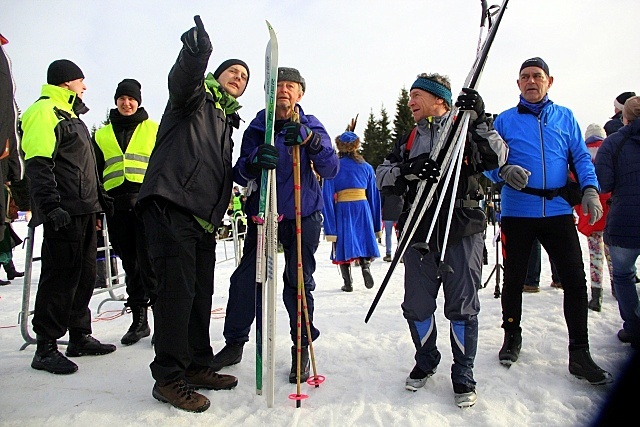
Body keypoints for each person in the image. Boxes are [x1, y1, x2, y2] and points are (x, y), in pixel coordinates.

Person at [375, 73, 507, 407]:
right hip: (419, 230)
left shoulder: (465, 128)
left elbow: (498, 157)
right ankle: (427, 356)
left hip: (462, 227)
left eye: (417, 95)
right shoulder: (408, 139)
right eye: (409, 96)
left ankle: (463, 370)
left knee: (461, 306)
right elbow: (380, 174)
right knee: (416, 305)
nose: (410, 102)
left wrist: (478, 119)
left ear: (440, 100)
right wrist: (409, 169)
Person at [136, 16, 247, 412]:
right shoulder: (195, 99)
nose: (239, 77)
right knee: (175, 297)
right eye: (233, 71)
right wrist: (195, 54)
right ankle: (168, 377)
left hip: (202, 219)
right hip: (171, 206)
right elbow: (183, 79)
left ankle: (198, 364)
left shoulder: (226, 120)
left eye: (244, 77)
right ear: (216, 76)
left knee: (200, 296)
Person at [484, 57, 612, 385]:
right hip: (518, 211)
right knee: (514, 280)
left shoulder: (566, 116)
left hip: (557, 211)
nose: (531, 81)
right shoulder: (505, 122)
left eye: (537, 76)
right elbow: (486, 160)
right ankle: (511, 335)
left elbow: (581, 157)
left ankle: (579, 352)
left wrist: (590, 190)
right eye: (525, 76)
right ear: (518, 84)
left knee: (574, 280)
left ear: (548, 81)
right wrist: (501, 171)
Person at [213, 66, 339, 384]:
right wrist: (255, 160)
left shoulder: (310, 124)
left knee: (297, 282)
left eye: (290, 86)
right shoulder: (259, 125)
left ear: (300, 93)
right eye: (277, 85)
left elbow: (331, 166)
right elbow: (240, 173)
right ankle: (235, 343)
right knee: (246, 280)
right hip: (265, 215)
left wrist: (311, 142)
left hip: (303, 213)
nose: (283, 90)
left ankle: (301, 347)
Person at [21, 59, 116, 375]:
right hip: (64, 211)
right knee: (60, 277)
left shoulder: (71, 115)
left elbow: (84, 167)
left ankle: (80, 335)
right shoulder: (43, 112)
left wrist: (100, 200)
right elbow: (38, 162)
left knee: (86, 275)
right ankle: (46, 345)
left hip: (86, 210)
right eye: (81, 81)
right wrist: (50, 207)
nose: (85, 86)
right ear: (66, 83)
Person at [94, 78, 158, 345]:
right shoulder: (101, 134)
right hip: (116, 207)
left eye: (131, 99)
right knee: (130, 264)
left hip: (147, 206)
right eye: (122, 98)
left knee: (152, 263)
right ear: (116, 101)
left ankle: (163, 322)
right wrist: (99, 206)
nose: (127, 103)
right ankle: (139, 321)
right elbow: (94, 172)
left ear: (138, 101)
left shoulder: (153, 129)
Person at [595, 96, 640, 349]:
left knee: (623, 276)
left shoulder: (614, 142)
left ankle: (633, 327)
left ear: (625, 117)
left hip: (625, 219)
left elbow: (604, 182)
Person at [322, 130, 382, 292]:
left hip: (343, 207)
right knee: (363, 238)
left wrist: (330, 226)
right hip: (363, 206)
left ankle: (348, 283)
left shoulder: (333, 168)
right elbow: (374, 196)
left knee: (342, 242)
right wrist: (376, 224)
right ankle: (365, 267)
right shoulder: (367, 167)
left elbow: (326, 196)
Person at [575, 123, 614, 311]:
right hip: (611, 209)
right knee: (612, 253)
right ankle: (617, 287)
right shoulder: (610, 151)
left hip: (591, 211)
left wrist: (579, 209)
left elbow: (575, 184)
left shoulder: (582, 155)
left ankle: (596, 295)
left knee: (595, 255)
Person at [381, 192, 403, 262]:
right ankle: (401, 255)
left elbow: (381, 202)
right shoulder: (401, 187)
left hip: (388, 213)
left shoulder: (385, 189)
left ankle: (388, 254)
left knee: (388, 235)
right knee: (400, 235)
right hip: (399, 213)